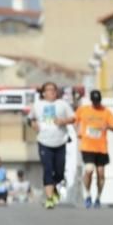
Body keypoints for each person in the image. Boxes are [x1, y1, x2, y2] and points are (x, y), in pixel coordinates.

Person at [28, 81, 75, 209]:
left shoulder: (62, 104)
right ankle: (49, 199)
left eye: (54, 89)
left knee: (59, 172)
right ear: (43, 93)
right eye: (49, 89)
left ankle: (54, 189)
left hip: (61, 141)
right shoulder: (37, 105)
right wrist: (33, 124)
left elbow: (73, 118)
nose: (52, 91)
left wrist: (63, 121)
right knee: (48, 169)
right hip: (44, 141)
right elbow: (30, 118)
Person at [75, 90, 113, 208]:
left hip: (101, 148)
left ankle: (98, 197)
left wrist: (108, 126)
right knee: (89, 170)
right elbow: (75, 121)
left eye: (98, 101)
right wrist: (77, 132)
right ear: (91, 100)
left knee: (101, 173)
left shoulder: (106, 111)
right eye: (94, 101)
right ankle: (88, 195)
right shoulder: (83, 110)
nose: (96, 103)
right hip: (87, 146)